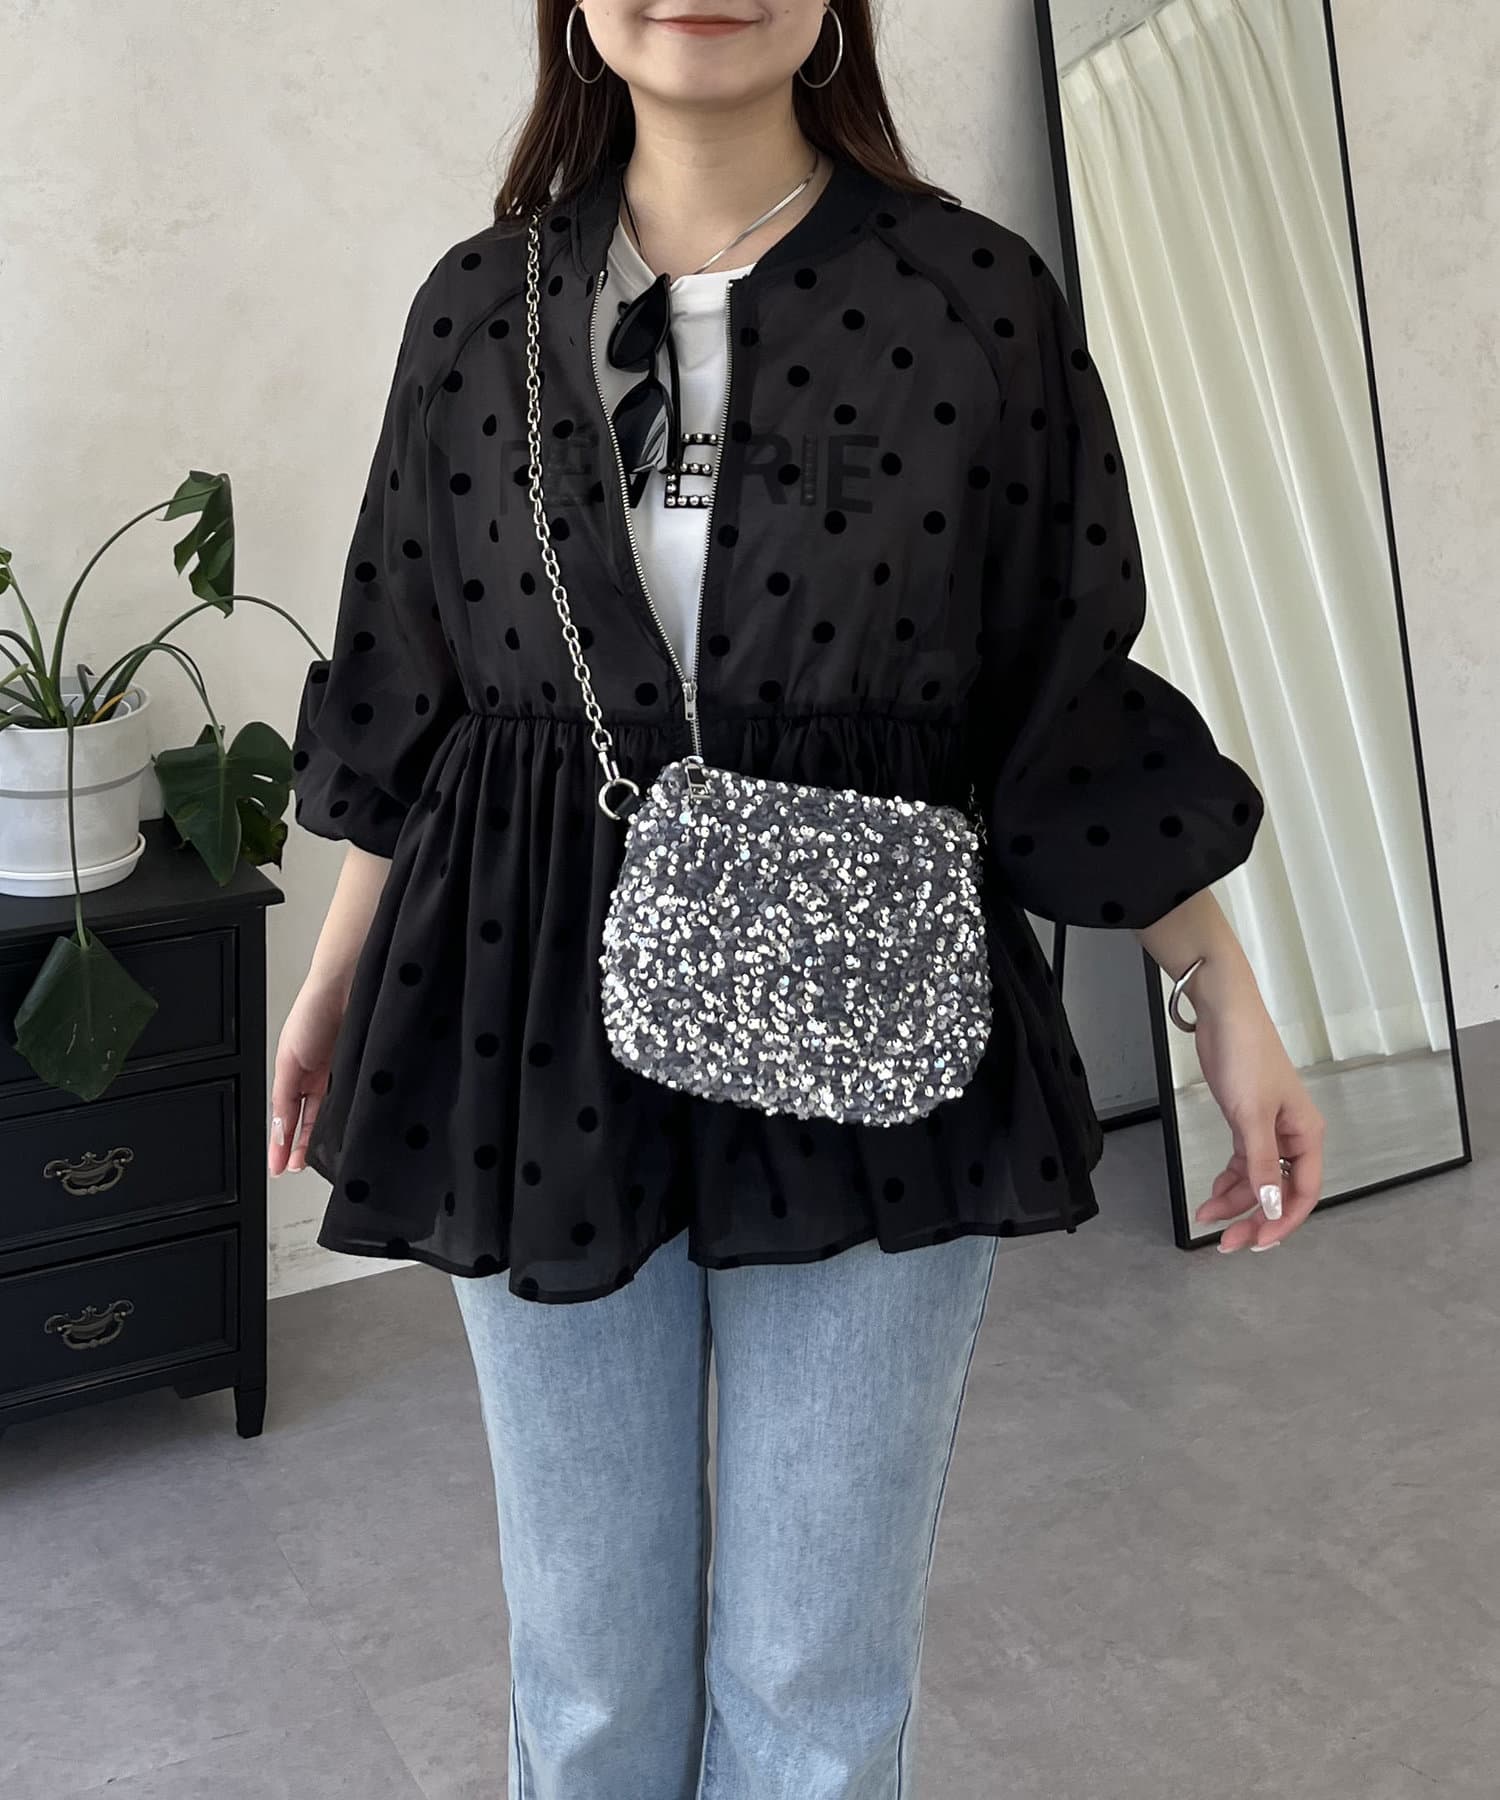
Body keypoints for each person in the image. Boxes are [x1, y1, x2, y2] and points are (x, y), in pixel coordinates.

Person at [268, 2, 1326, 1792]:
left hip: (871, 1017)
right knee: (588, 1680)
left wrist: (1221, 991)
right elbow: (405, 676)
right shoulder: (476, 311)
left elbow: (1061, 682)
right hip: (524, 1012)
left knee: (816, 1680)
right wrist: (332, 980)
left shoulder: (970, 301)